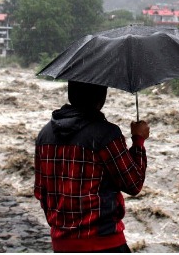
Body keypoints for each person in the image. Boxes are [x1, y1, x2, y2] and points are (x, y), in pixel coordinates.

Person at [34, 81, 148, 253]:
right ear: (101, 97)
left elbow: (41, 192)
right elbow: (133, 183)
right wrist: (138, 141)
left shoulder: (45, 134)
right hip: (104, 243)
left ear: (71, 94)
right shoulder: (107, 134)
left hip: (62, 244)